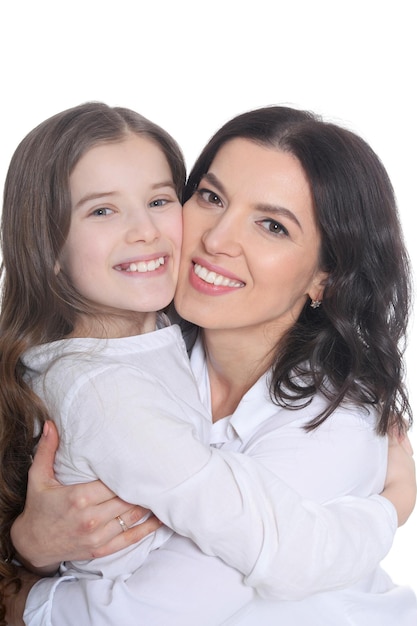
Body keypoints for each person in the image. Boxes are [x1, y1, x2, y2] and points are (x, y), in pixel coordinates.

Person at [3, 106, 417, 625]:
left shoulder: (333, 424)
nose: (217, 239)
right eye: (211, 197)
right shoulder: (139, 358)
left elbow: (158, 613)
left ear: (324, 280)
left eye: (272, 226)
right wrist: (31, 545)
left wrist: (391, 505)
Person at [0, 101, 216, 620]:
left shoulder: (183, 335)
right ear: (49, 245)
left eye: (160, 200)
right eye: (102, 210)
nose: (145, 230)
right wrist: (28, 547)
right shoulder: (95, 386)